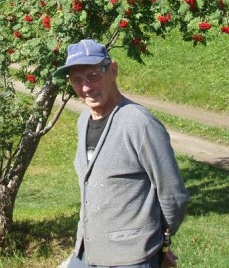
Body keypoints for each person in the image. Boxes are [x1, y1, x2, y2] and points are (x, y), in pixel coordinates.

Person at [54, 39, 190, 268]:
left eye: (93, 75)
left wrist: (159, 247)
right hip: (87, 252)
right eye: (76, 80)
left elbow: (173, 196)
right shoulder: (83, 121)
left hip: (129, 259)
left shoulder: (139, 123)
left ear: (113, 71)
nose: (85, 87)